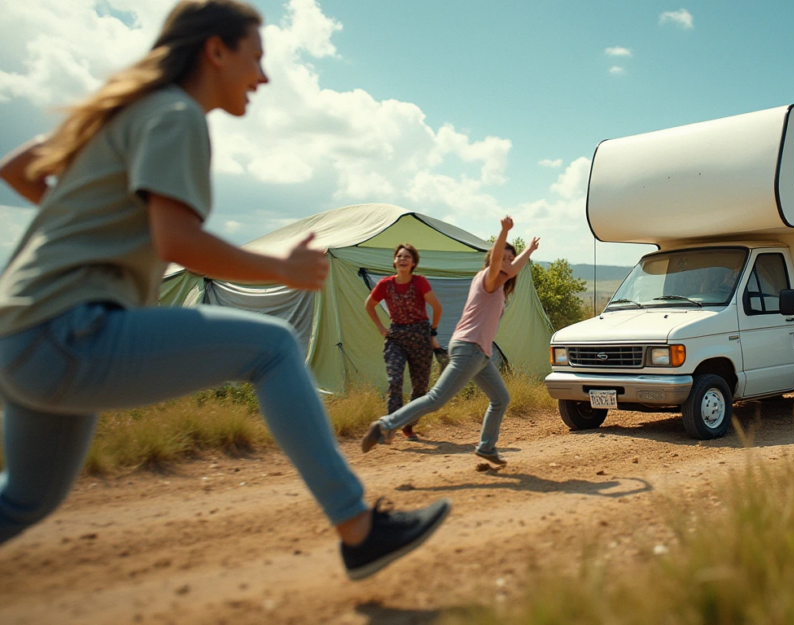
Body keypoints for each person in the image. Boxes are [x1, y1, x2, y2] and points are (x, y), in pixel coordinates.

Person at [0, 0, 448, 580]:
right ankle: (358, 528)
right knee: (273, 347)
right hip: (67, 329)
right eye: (256, 58)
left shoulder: (126, 113)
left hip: (20, 331)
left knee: (26, 501)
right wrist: (281, 269)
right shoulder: (175, 114)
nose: (263, 77)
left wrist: (101, 231)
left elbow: (18, 169)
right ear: (216, 50)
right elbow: (177, 240)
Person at [362, 217, 540, 466]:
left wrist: (529, 251)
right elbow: (501, 262)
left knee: (501, 399)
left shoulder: (497, 287)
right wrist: (503, 232)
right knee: (436, 399)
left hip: (480, 354)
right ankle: (385, 424)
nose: (508, 264)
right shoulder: (487, 279)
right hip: (469, 349)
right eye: (503, 259)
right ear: (493, 261)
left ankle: (486, 447)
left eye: (511, 260)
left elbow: (510, 268)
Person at [365, 243, 442, 440]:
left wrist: (432, 333)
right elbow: (369, 305)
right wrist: (381, 328)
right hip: (396, 337)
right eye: (399, 256)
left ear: (413, 263)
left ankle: (408, 426)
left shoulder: (420, 282)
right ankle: (389, 427)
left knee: (420, 387)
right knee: (395, 380)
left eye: (407, 257)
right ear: (394, 261)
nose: (402, 259)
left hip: (420, 336)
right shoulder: (385, 284)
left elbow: (437, 307)